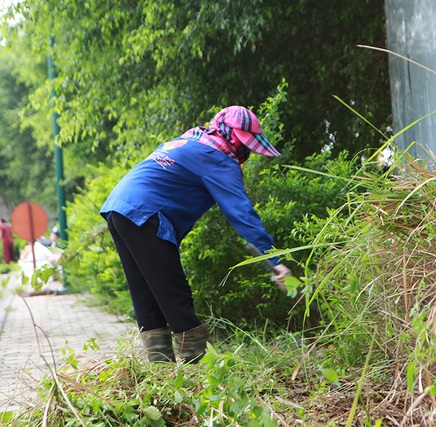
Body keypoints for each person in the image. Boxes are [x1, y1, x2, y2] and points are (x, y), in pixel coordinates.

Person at [100, 105, 292, 364]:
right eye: (243, 143)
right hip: (145, 213)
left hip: (120, 209)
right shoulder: (218, 156)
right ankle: (196, 373)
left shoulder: (193, 139)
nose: (245, 151)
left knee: (147, 296)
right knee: (175, 296)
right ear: (232, 138)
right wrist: (274, 261)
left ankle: (160, 378)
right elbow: (241, 213)